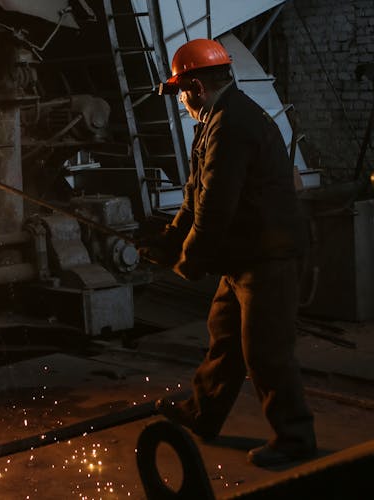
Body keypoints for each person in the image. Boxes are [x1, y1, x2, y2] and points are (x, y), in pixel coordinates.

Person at [139, 38, 317, 467]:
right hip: (246, 257)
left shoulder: (233, 125)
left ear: (196, 87)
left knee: (266, 352)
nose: (180, 101)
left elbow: (217, 208)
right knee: (225, 338)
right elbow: (194, 196)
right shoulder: (216, 120)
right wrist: (168, 239)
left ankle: (295, 439)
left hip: (268, 257)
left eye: (181, 91)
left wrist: (189, 260)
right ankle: (203, 414)